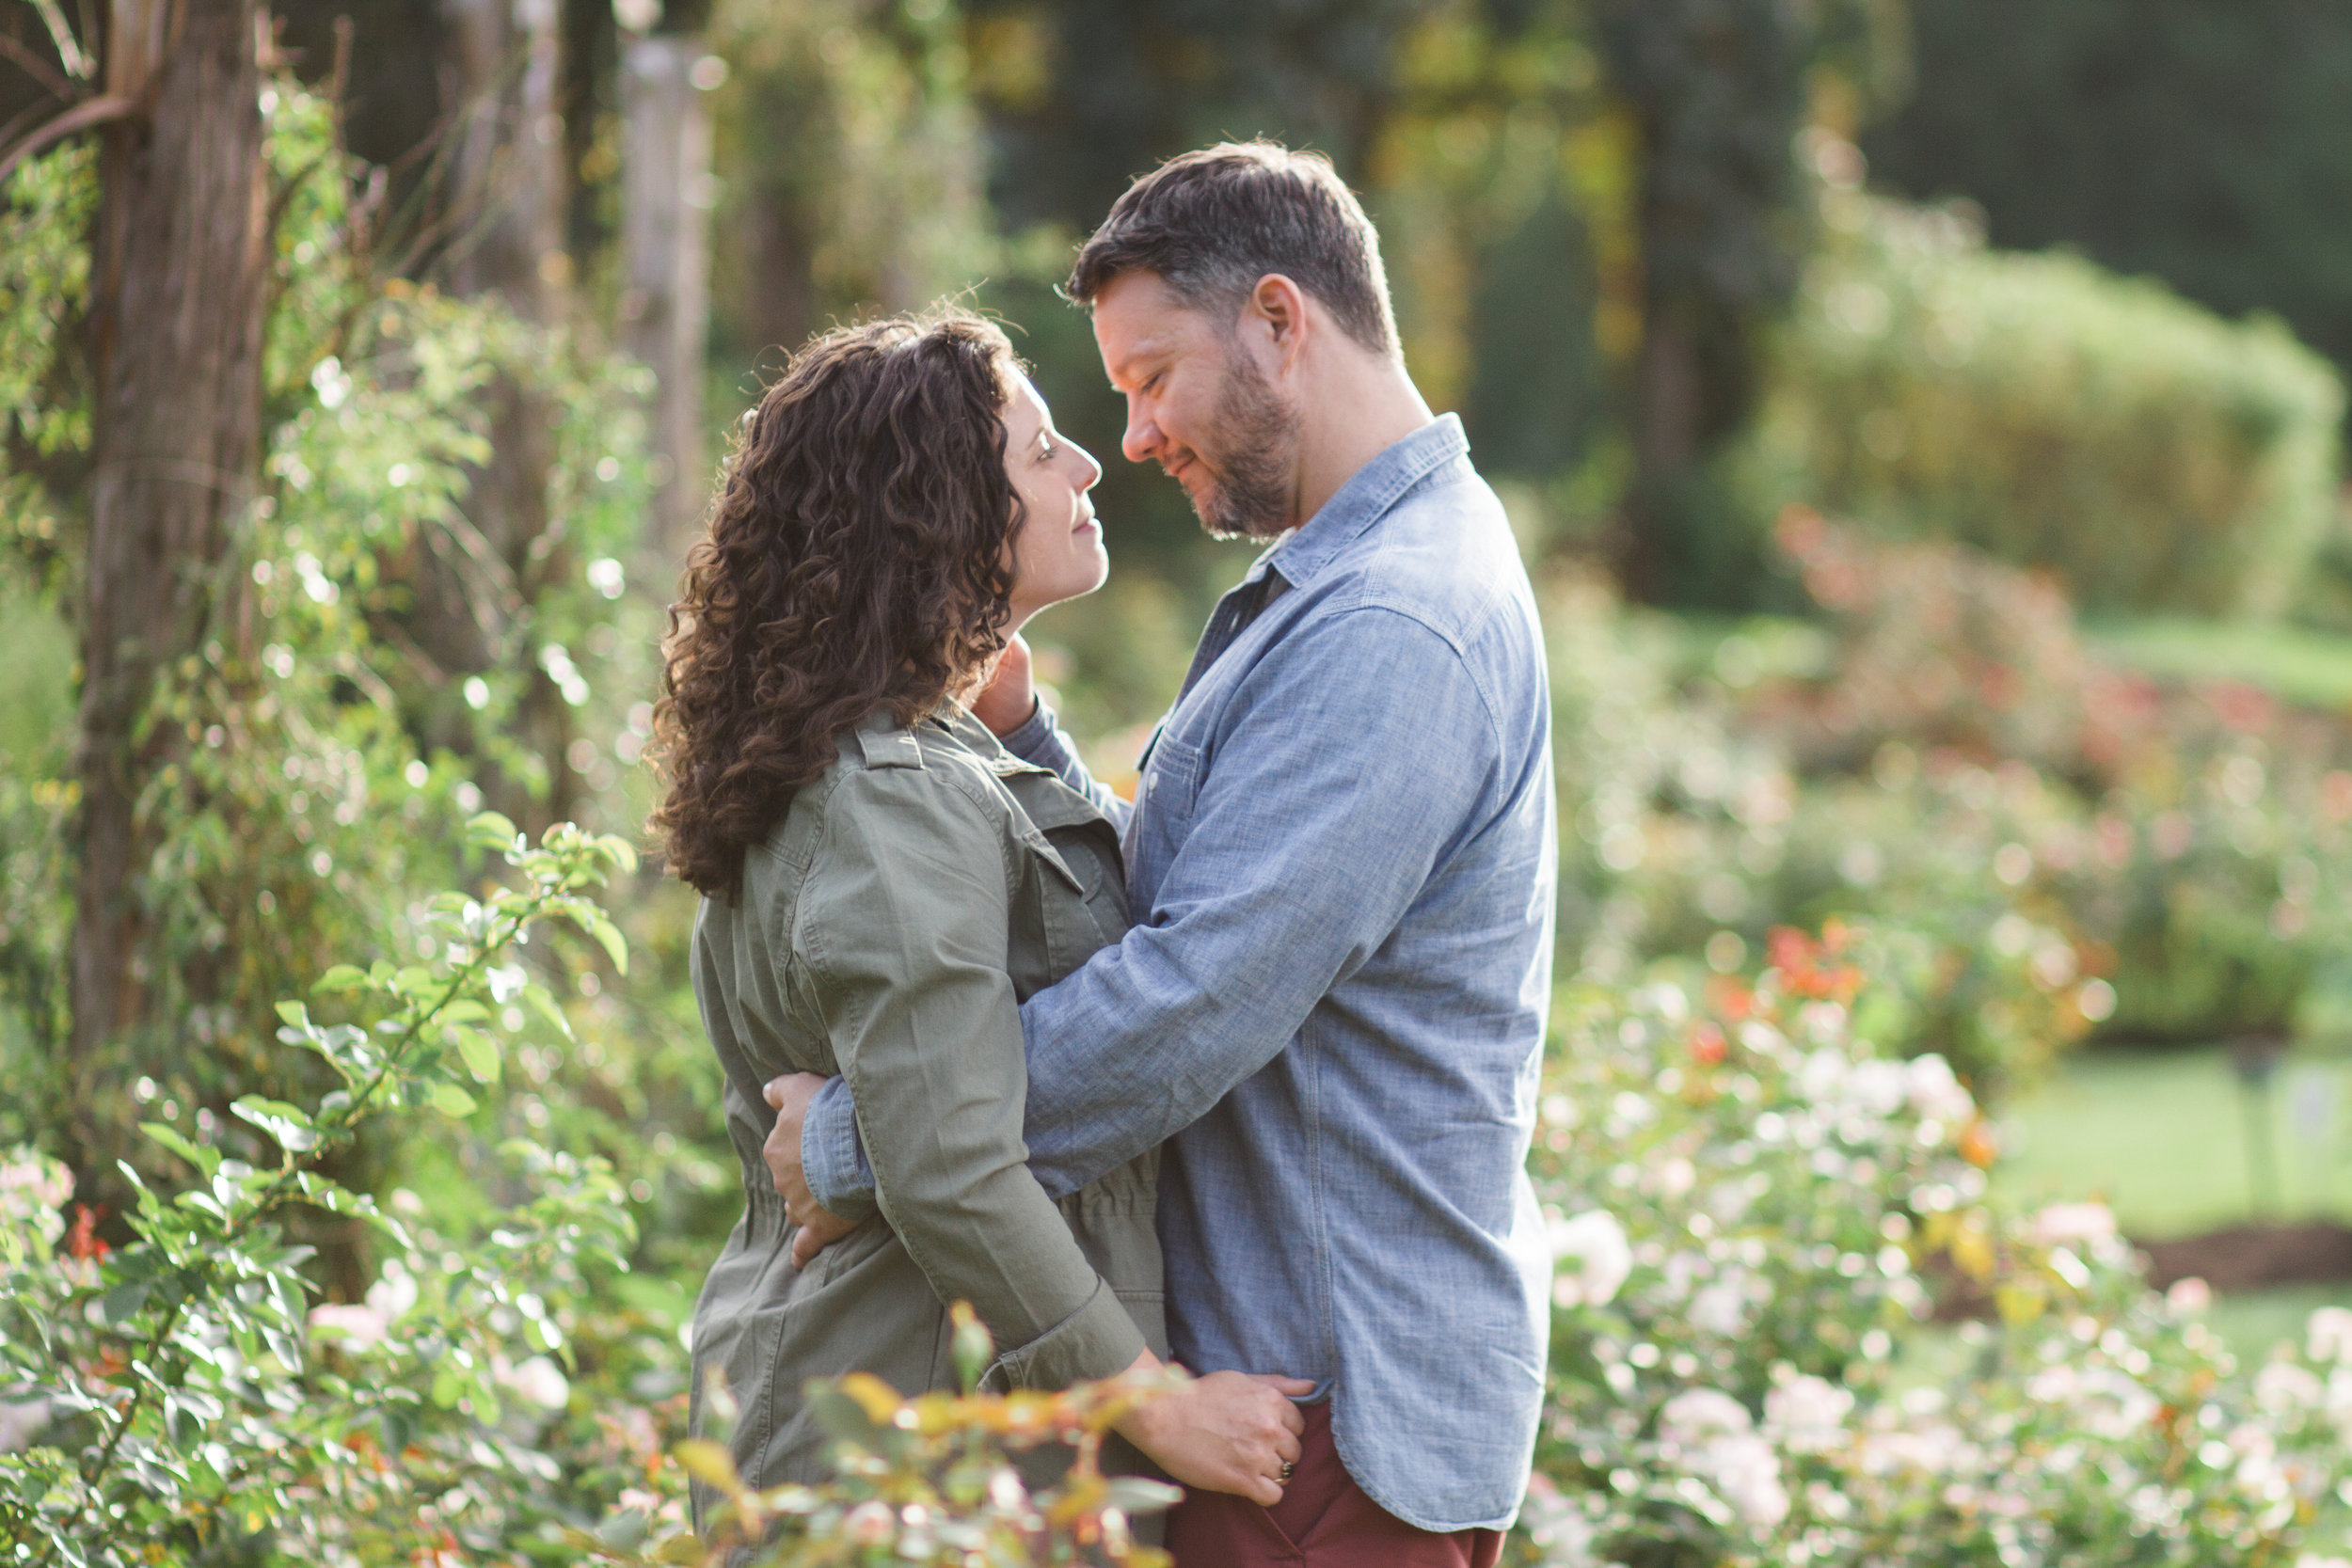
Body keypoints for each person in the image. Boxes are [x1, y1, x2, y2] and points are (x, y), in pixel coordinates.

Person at [770, 143, 1558, 1568]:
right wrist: (1037, 744)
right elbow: (1222, 904)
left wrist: (866, 1144)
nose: (1129, 438)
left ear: (1277, 320)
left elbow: (1197, 999)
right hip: (1286, 1405)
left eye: (1148, 381)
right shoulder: (1354, 580)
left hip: (1316, 1423)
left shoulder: (1393, 624)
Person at [646, 311, 1309, 1539]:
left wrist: (1010, 726)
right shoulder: (901, 793)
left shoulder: (891, 759)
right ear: (939, 510)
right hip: (904, 1459)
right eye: (1042, 448)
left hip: (909, 1436)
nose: (1088, 468)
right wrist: (1153, 1407)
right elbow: (951, 1167)